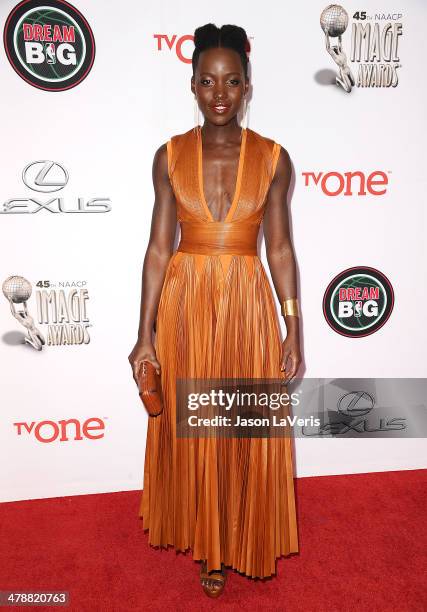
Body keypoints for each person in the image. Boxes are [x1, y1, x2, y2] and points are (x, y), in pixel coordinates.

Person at [128, 23, 301, 598]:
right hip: (186, 299)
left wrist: (292, 325)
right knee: (199, 427)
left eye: (231, 81)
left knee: (239, 424)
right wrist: (143, 334)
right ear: (193, 86)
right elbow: (158, 248)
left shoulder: (275, 159)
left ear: (248, 86)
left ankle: (240, 536)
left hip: (248, 301)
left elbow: (278, 247)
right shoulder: (169, 156)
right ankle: (210, 547)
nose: (219, 93)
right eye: (207, 81)